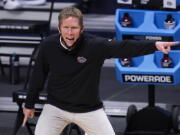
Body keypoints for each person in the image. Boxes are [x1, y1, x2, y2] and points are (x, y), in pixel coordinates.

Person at [23, 7, 179, 135]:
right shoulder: (48, 46)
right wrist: (29, 104)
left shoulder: (95, 45)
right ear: (59, 28)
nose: (70, 33)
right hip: (55, 107)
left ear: (82, 29)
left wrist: (154, 46)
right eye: (66, 28)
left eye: (74, 28)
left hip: (89, 109)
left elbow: (124, 47)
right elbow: (38, 76)